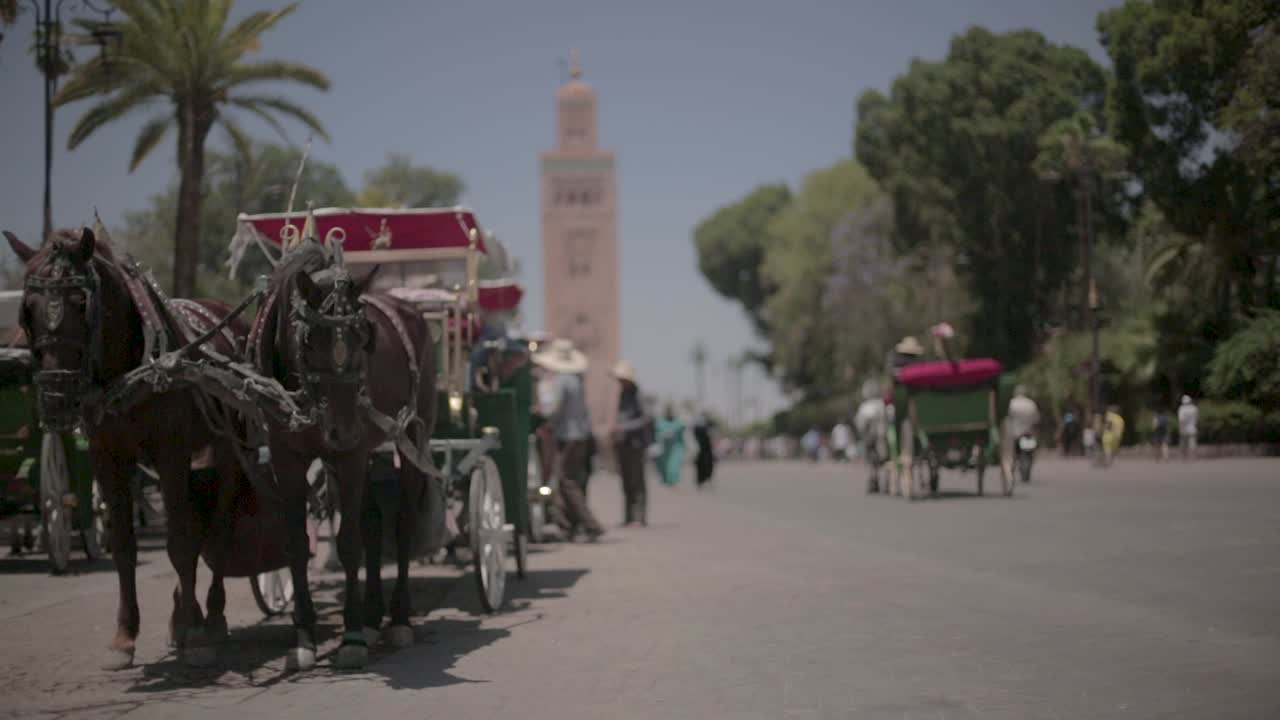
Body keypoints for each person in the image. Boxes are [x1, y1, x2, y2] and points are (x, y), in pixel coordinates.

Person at [532, 339, 604, 542]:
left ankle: (590, 524)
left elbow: (554, 408)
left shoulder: (563, 380)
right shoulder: (576, 380)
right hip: (579, 434)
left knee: (567, 480)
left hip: (569, 435)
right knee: (570, 480)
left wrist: (542, 414)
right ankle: (573, 524)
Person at [610, 360, 651, 527]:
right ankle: (628, 516)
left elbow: (646, 418)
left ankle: (639, 517)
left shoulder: (638, 395)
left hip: (636, 443)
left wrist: (625, 427)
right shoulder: (623, 393)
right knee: (626, 481)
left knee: (637, 481)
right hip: (623, 443)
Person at [653, 405, 687, 487]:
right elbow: (656, 433)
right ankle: (666, 480)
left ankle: (673, 481)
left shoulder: (678, 422)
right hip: (664, 448)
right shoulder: (660, 422)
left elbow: (682, 432)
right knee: (664, 466)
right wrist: (663, 435)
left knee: (674, 465)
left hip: (676, 448)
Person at [693, 412, 716, 488]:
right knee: (700, 466)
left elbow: (713, 436)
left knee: (709, 465)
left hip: (707, 450)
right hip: (700, 450)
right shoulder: (697, 427)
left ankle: (707, 480)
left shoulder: (709, 425)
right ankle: (701, 482)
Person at [1177, 395, 1199, 461]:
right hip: (1193, 428)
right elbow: (1197, 419)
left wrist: (1180, 428)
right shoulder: (1194, 408)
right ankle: (1192, 457)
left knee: (1183, 444)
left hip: (1184, 429)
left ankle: (1183, 457)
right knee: (1192, 444)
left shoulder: (1181, 409)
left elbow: (1181, 420)